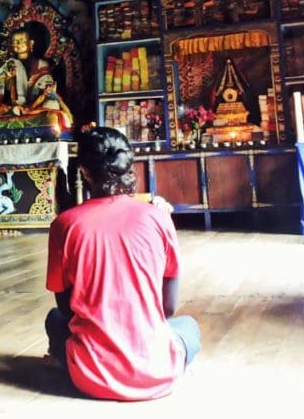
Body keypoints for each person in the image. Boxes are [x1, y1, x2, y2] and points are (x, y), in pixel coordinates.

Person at [44, 126, 201, 401]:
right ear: (128, 166)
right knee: (188, 326)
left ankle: (70, 362)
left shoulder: (64, 224)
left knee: (54, 320)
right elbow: (168, 308)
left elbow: (65, 309)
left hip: (89, 377)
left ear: (84, 172)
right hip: (158, 372)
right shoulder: (159, 218)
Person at [0, 27, 72, 128]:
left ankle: (22, 113)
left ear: (31, 43)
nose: (18, 44)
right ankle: (18, 113)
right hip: (15, 107)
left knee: (51, 107)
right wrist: (7, 79)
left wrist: (46, 92)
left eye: (21, 41)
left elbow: (47, 89)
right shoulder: (11, 64)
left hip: (37, 106)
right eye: (15, 41)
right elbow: (1, 94)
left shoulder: (41, 64)